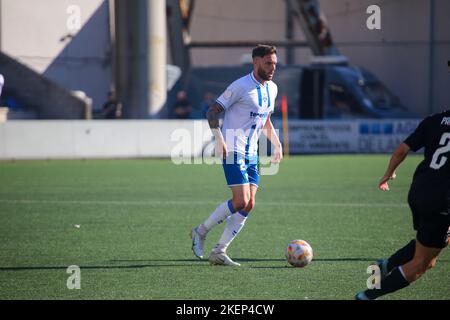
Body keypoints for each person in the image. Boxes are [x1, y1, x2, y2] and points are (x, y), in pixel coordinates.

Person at [190, 45, 283, 266]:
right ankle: (200, 231)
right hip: (232, 150)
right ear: (256, 62)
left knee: (249, 205)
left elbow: (265, 120)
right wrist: (219, 139)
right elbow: (212, 111)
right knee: (241, 200)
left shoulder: (273, 89)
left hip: (252, 154)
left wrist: (277, 144)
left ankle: (219, 251)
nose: (272, 68)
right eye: (268, 63)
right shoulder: (240, 86)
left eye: (275, 64)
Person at [356, 110, 450, 300]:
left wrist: (388, 173)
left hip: (419, 190)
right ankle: (365, 296)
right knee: (423, 262)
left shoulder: (434, 120)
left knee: (432, 241)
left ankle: (386, 265)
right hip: (442, 199)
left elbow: (402, 149)